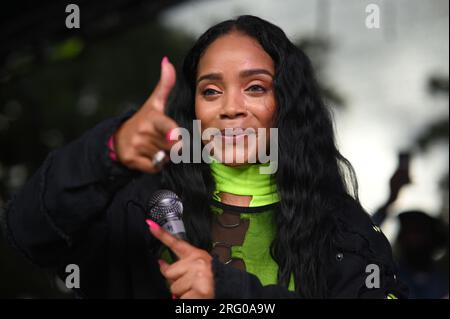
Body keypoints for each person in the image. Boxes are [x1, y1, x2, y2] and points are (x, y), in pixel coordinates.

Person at [2, 15, 408, 299]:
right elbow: (28, 232)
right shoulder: (138, 203)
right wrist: (107, 150)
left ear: (287, 105)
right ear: (193, 107)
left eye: (255, 88)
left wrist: (230, 293)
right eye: (210, 91)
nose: (230, 107)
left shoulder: (343, 231)